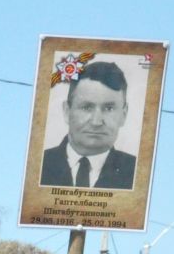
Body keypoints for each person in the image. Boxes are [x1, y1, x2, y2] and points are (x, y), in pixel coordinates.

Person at [39, 60, 137, 190]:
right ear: (67, 111)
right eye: (86, 107)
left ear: (124, 115)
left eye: (109, 108)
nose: (96, 122)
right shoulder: (38, 164)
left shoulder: (137, 170)